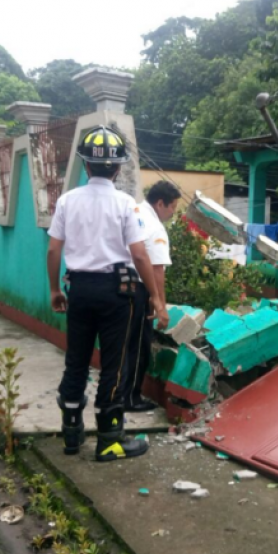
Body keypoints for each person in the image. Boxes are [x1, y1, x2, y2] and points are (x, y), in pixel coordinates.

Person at [46, 125, 169, 461]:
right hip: (118, 294)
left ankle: (71, 435)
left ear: (86, 165)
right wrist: (156, 298)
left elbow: (54, 251)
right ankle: (110, 441)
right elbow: (140, 255)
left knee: (76, 362)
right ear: (117, 168)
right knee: (113, 366)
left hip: (80, 289)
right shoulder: (125, 203)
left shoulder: (68, 201)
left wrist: (56, 289)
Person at [124, 180, 181, 412]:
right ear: (160, 203)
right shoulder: (155, 228)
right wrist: (161, 306)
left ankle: (119, 393)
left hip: (116, 286)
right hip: (137, 290)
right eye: (172, 207)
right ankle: (130, 398)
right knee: (139, 347)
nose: (173, 213)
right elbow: (157, 269)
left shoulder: (132, 212)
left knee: (122, 345)